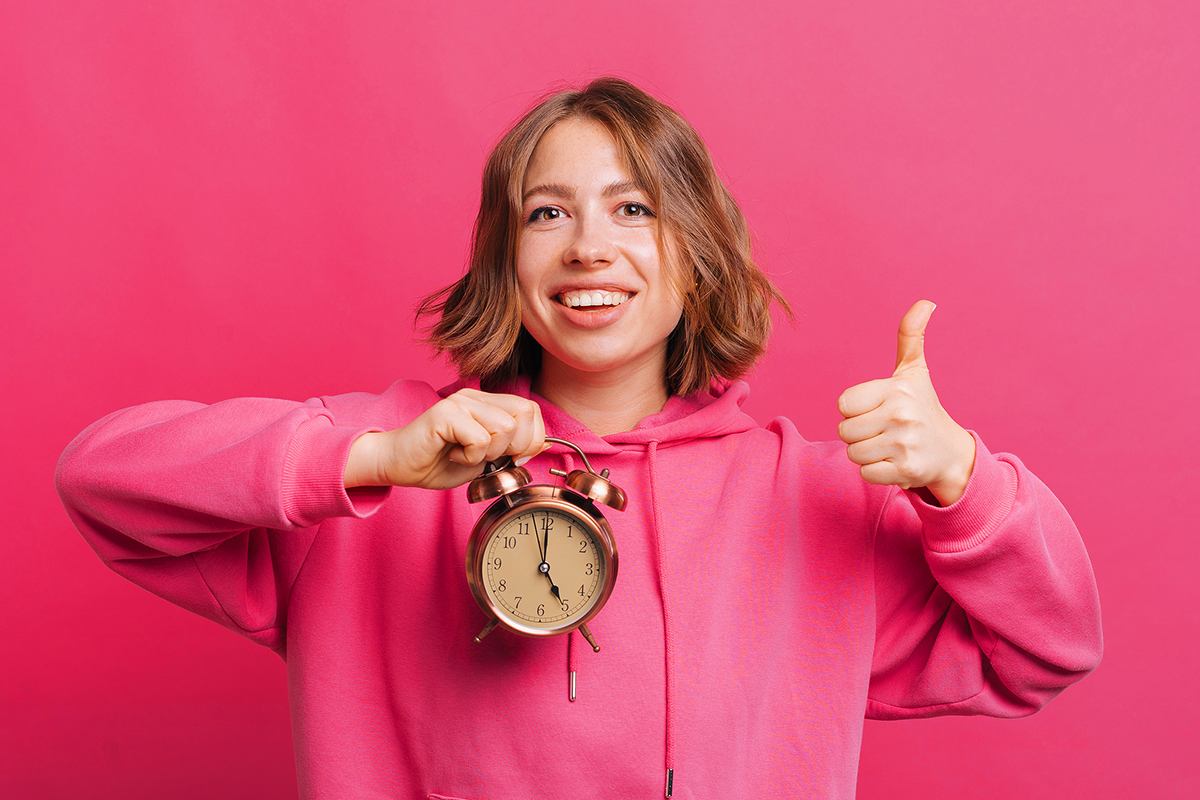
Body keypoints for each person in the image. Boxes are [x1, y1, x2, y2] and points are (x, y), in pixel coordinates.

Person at [57, 77, 1102, 799]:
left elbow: (1046, 648)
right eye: (546, 213)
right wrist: (369, 462)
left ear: (697, 252)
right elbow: (101, 480)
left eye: (633, 209)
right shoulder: (394, 460)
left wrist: (964, 478)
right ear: (505, 258)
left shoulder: (812, 500)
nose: (590, 246)